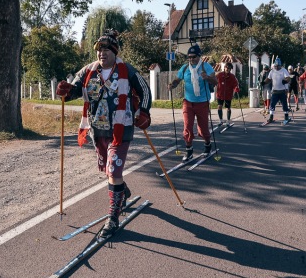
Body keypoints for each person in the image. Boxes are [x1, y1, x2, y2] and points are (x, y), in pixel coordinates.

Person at [55, 30, 152, 238]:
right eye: (99, 49)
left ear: (114, 52)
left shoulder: (127, 70)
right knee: (110, 171)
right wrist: (65, 91)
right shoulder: (88, 71)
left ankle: (113, 218)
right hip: (98, 130)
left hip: (121, 128)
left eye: (106, 49)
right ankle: (122, 191)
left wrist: (143, 112)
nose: (102, 53)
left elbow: (144, 89)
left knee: (113, 170)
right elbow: (75, 90)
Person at [169, 44, 217, 162]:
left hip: (202, 102)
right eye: (189, 57)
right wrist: (172, 85)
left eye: (193, 56)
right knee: (187, 127)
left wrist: (207, 78)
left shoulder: (206, 67)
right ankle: (189, 150)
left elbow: (215, 81)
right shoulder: (185, 68)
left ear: (199, 56)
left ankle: (207, 145)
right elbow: (177, 80)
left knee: (203, 129)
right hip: (188, 102)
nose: (191, 59)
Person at [261, 57, 291, 126]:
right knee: (272, 104)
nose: (277, 67)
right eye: (276, 66)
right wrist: (264, 82)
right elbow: (268, 79)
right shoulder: (272, 71)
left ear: (280, 65)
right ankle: (271, 117)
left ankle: (286, 116)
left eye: (278, 66)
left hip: (282, 91)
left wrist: (285, 80)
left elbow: (288, 78)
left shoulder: (284, 70)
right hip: (275, 91)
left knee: (284, 105)